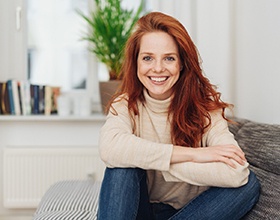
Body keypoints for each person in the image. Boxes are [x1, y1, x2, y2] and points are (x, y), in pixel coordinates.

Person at [97, 12, 260, 220]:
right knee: (122, 169)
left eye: (169, 58)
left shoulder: (206, 109)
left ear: (182, 63)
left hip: (191, 213)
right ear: (136, 62)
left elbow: (237, 173)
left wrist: (158, 163)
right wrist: (194, 155)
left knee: (250, 185)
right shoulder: (125, 105)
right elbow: (110, 148)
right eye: (147, 58)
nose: (157, 68)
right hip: (139, 210)